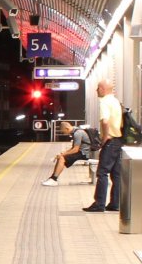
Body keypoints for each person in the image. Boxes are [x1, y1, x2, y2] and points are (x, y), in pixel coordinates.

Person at [84, 78, 123, 212]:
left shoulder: (105, 102)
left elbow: (105, 121)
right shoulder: (116, 101)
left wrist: (105, 136)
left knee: (102, 173)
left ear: (102, 89)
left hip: (110, 141)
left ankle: (99, 203)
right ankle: (115, 203)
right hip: (118, 140)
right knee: (116, 174)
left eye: (98, 88)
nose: (96, 90)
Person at [41, 121, 92, 186]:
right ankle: (52, 178)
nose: (64, 133)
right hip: (81, 152)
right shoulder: (76, 131)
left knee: (62, 158)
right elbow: (74, 148)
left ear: (66, 128)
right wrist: (63, 153)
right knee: (61, 157)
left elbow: (75, 150)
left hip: (84, 154)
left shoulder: (77, 133)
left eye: (63, 131)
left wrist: (63, 154)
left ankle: (54, 180)